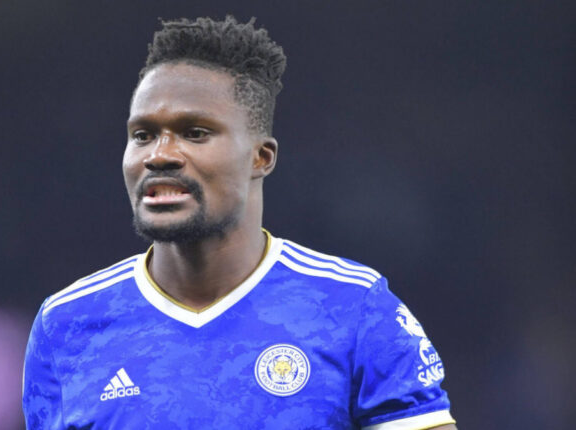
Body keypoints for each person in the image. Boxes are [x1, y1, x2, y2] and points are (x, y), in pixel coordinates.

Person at [23, 16, 456, 429]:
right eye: (143, 135)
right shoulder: (66, 324)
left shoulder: (353, 309)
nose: (159, 154)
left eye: (194, 132)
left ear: (260, 157)